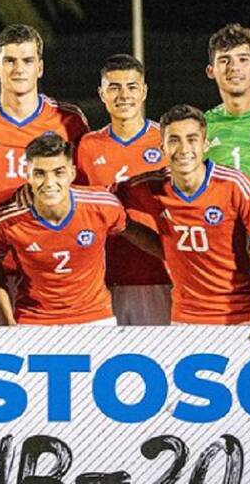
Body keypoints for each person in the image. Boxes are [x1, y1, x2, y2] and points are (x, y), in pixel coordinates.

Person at [0, 24, 90, 324]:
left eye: (27, 61)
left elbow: (85, 188)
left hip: (49, 269)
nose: (18, 69)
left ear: (40, 67)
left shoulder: (68, 120)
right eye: (9, 61)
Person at [114, 105, 250, 346]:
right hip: (186, 318)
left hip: (243, 317)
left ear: (206, 145)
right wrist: (129, 229)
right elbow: (102, 203)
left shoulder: (235, 186)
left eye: (192, 139)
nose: (184, 149)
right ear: (162, 147)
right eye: (174, 140)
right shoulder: (150, 187)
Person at [0, 132, 160, 325]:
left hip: (95, 318)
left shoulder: (103, 206)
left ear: (72, 173)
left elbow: (134, 231)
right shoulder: (6, 220)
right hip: (34, 320)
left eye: (58, 172)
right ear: (27, 176)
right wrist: (9, 320)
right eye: (39, 173)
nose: (49, 183)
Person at [75, 54, 172, 324]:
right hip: (106, 282)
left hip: (160, 278)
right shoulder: (87, 146)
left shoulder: (166, 141)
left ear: (143, 91)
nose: (123, 95)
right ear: (101, 93)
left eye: (131, 86)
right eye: (114, 87)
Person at [204, 24, 250, 279]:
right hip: (227, 271)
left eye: (243, 59)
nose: (234, 68)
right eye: (225, 60)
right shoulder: (201, 129)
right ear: (211, 71)